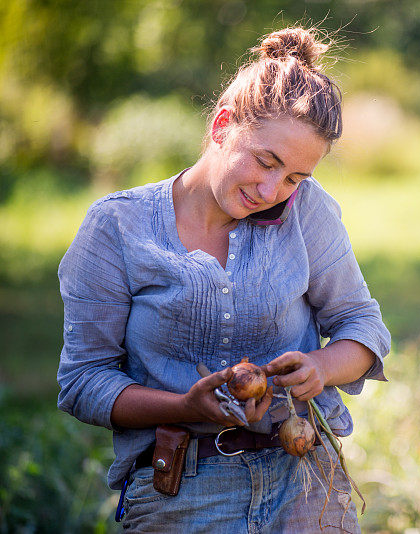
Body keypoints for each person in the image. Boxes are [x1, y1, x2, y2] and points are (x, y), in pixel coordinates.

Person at [56, 26, 390, 532]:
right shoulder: (117, 228)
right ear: (221, 125)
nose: (272, 189)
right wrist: (185, 405)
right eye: (266, 161)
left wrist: (321, 366)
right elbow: (84, 381)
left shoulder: (307, 213)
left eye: (295, 178)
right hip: (180, 493)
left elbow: (363, 326)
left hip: (303, 484)